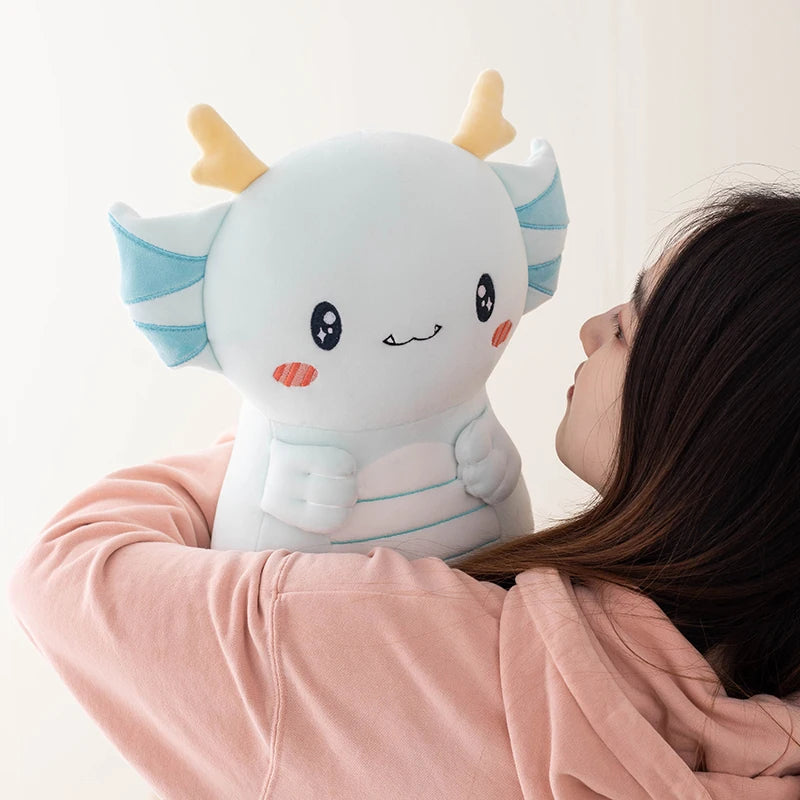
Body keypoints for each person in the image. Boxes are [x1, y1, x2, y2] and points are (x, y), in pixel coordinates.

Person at [8, 184, 800, 800]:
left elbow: (68, 570)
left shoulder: (417, 644)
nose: (592, 328)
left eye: (630, 327)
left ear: (713, 431)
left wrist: (292, 441)